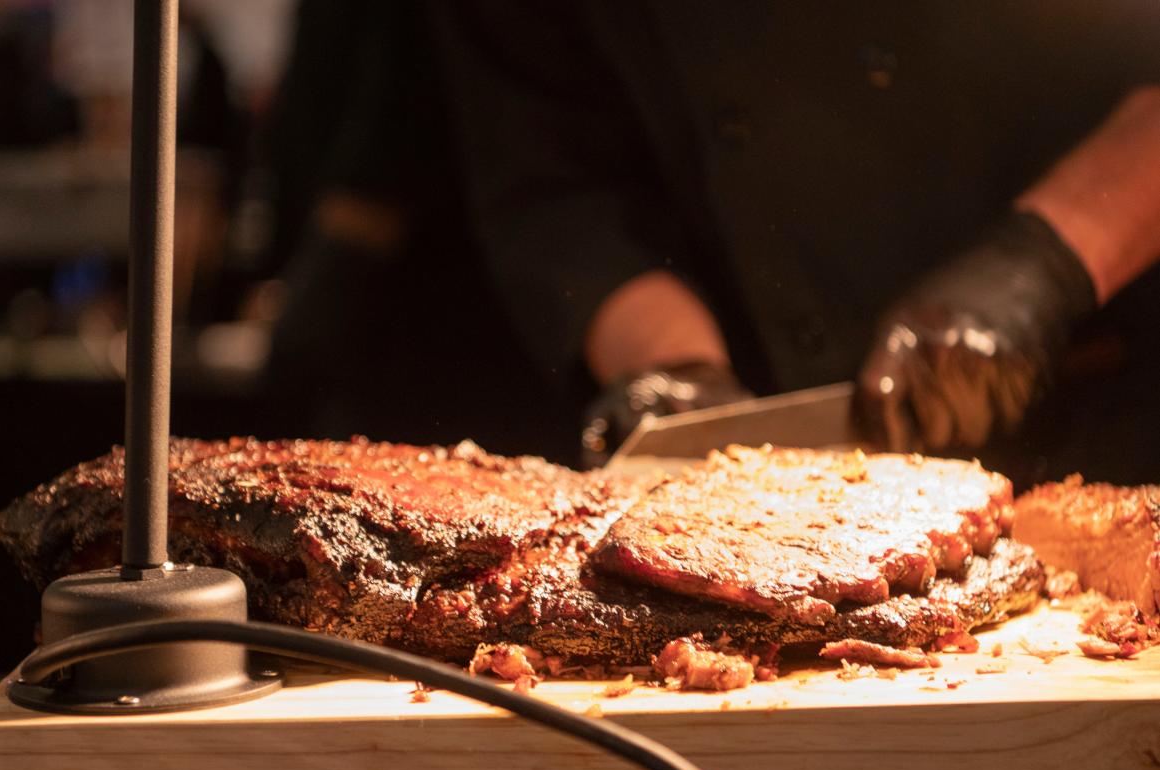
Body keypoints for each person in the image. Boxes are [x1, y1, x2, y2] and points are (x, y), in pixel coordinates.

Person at [433, 1, 1160, 475]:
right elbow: (553, 180)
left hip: (1098, 397)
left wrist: (1038, 269)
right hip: (766, 406)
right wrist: (672, 367)